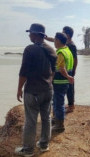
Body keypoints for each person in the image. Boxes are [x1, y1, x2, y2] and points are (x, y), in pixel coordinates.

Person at [15, 23, 57, 156]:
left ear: (36, 34)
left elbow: (24, 72)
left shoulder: (29, 50)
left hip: (32, 91)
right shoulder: (51, 50)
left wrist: (19, 89)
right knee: (46, 118)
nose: (29, 35)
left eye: (30, 33)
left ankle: (28, 150)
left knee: (30, 121)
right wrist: (49, 82)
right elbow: (53, 71)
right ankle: (44, 144)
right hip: (48, 90)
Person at [46, 26, 78, 113]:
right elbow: (54, 39)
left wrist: (73, 70)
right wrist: (46, 37)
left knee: (69, 88)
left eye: (63, 32)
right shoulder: (65, 44)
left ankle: (71, 106)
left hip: (67, 71)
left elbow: (75, 59)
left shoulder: (71, 45)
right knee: (65, 89)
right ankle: (66, 107)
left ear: (67, 35)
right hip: (66, 70)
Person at [52, 32, 74, 132]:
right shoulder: (67, 50)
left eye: (55, 40)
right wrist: (69, 77)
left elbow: (61, 68)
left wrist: (68, 76)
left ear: (58, 40)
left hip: (59, 82)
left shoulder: (60, 52)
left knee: (58, 104)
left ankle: (59, 125)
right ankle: (56, 120)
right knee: (58, 102)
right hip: (64, 82)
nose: (54, 42)